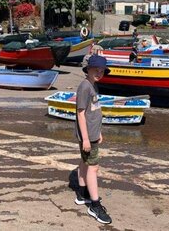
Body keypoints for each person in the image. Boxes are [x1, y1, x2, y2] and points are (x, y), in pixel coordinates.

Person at [74, 55, 112, 225]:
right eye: (95, 69)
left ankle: (83, 194)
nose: (99, 72)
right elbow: (80, 113)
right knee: (93, 167)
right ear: (87, 70)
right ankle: (95, 205)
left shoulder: (93, 85)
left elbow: (94, 111)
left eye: (102, 70)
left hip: (92, 134)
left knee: (85, 162)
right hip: (87, 136)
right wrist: (86, 139)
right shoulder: (85, 87)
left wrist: (99, 132)